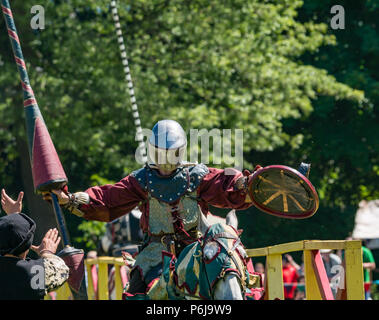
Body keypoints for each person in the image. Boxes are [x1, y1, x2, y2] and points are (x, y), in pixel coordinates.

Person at [44, 119, 258, 298]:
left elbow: (225, 184)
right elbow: (109, 198)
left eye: (170, 153)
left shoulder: (197, 175)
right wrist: (70, 199)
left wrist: (245, 185)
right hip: (154, 257)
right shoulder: (141, 181)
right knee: (138, 294)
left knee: (229, 266)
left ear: (179, 151)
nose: (166, 160)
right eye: (162, 153)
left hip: (197, 250)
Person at [0, 189, 69, 300]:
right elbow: (61, 271)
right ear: (27, 246)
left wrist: (13, 218)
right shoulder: (34, 271)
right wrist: (47, 252)